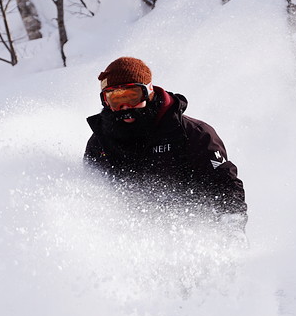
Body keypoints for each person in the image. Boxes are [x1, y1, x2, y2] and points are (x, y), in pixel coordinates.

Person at [84, 57, 247, 232]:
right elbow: (91, 196)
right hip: (129, 236)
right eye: (116, 100)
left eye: (133, 97)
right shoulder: (100, 142)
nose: (125, 107)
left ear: (149, 92)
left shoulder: (194, 134)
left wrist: (231, 230)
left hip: (191, 231)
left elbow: (224, 184)